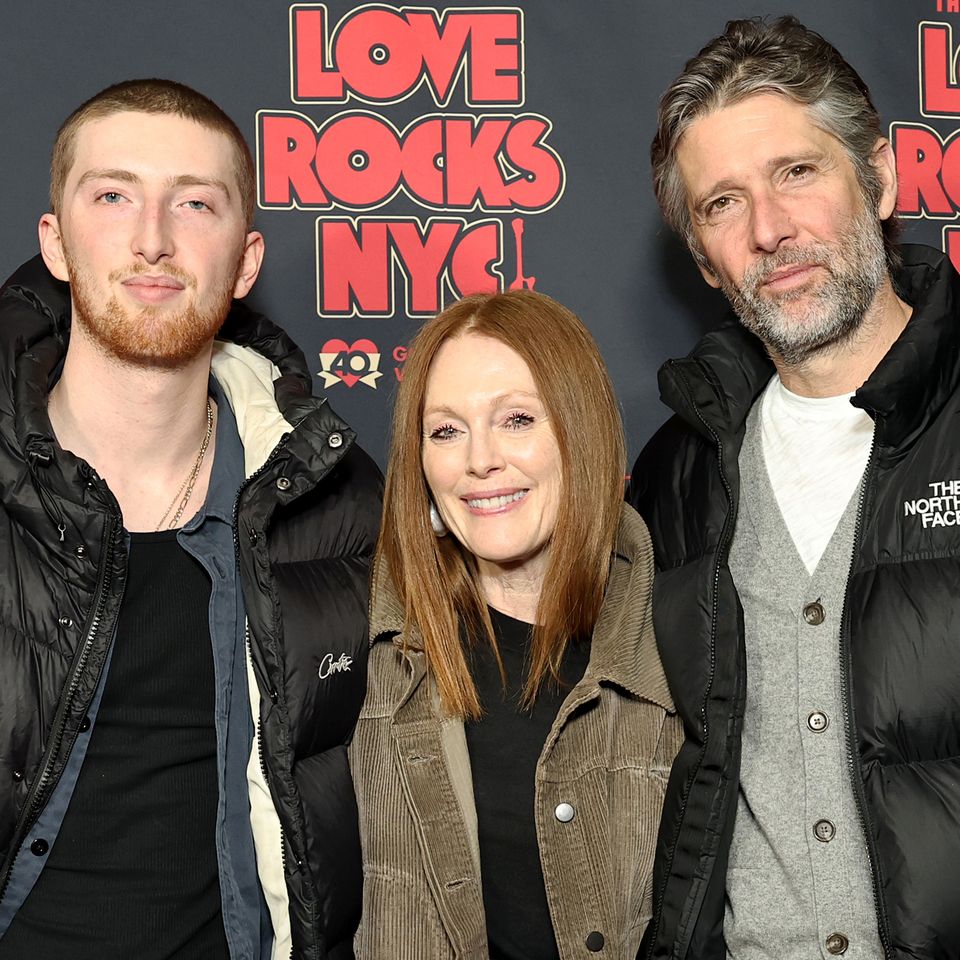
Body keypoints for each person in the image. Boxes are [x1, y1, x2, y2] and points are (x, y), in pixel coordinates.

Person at [0, 79, 381, 959]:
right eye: (113, 195)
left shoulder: (336, 500)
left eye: (194, 204)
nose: (153, 239)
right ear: (54, 242)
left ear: (246, 262)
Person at [628, 14, 960, 960]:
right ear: (703, 259)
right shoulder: (676, 476)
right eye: (723, 204)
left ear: (882, 178)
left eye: (797, 172)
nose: (771, 229)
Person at [349, 289, 682, 959]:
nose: (479, 460)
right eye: (445, 430)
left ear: (578, 429)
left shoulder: (683, 638)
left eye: (517, 420)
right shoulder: (366, 648)